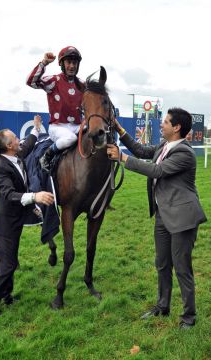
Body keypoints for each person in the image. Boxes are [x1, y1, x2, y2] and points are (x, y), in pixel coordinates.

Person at [107, 108, 207, 329]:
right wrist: (120, 130)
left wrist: (122, 158)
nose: (161, 125)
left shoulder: (184, 153)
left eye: (165, 122)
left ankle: (189, 316)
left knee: (182, 268)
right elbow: (142, 150)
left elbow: (157, 171)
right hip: (163, 215)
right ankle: (163, 307)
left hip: (182, 218)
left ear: (176, 127)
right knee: (162, 264)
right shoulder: (164, 146)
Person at [0, 115, 54, 317]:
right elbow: (9, 195)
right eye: (15, 138)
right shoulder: (0, 169)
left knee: (9, 261)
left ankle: (6, 294)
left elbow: (29, 144)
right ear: (9, 146)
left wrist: (36, 129)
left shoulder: (15, 155)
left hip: (14, 222)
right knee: (8, 263)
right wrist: (35, 196)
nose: (18, 140)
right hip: (4, 226)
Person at [26, 46, 84, 171]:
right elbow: (30, 81)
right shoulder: (54, 81)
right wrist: (44, 63)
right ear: (62, 64)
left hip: (77, 126)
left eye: (75, 62)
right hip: (58, 127)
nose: (72, 66)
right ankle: (47, 156)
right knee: (71, 139)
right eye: (69, 62)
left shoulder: (82, 84)